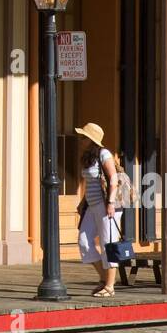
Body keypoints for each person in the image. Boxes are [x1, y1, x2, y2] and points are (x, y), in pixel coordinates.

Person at [75, 122, 120, 297]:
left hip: (106, 205)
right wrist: (82, 201)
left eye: (84, 137)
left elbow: (113, 179)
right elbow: (92, 183)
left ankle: (109, 286)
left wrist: (110, 202)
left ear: (91, 140)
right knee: (84, 242)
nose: (81, 140)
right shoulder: (89, 158)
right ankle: (105, 278)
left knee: (108, 243)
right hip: (92, 205)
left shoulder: (104, 154)